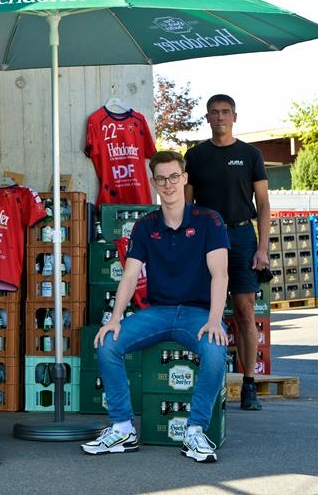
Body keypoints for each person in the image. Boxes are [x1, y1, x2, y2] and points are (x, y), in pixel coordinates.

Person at [81, 150, 229, 463]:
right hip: (159, 313)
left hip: (198, 314)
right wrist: (114, 318)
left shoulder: (208, 220)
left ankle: (195, 431)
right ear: (154, 182)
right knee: (108, 344)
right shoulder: (145, 225)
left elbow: (220, 273)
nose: (168, 183)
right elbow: (131, 274)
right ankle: (122, 428)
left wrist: (215, 320)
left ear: (184, 178)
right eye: (161, 178)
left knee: (215, 351)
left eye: (174, 176)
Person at [185, 94, 270, 411]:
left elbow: (263, 204)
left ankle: (249, 386)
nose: (220, 117)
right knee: (208, 312)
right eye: (214, 113)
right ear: (207, 118)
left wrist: (262, 248)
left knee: (245, 312)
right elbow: (186, 206)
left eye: (225, 112)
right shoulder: (195, 156)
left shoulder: (250, 154)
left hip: (242, 236)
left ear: (235, 116)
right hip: (206, 239)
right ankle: (211, 385)